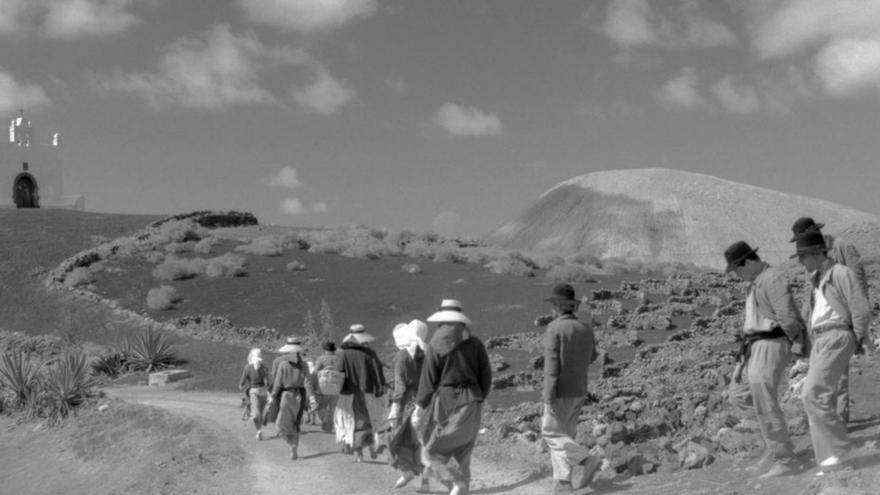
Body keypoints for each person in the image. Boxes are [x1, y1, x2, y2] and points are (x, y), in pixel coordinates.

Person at [723, 241, 806, 478]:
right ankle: (774, 447)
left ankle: (785, 458)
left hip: (770, 343)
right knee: (739, 395)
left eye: (738, 270)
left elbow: (787, 316)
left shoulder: (771, 278)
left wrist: (796, 342)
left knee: (764, 401)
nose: (737, 276)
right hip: (754, 345)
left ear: (748, 262)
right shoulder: (755, 282)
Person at [792, 232, 872, 474]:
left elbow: (860, 308)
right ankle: (828, 459)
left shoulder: (840, 273)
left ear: (817, 253)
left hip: (836, 335)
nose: (800, 262)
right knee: (819, 398)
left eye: (803, 256)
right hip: (820, 340)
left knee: (811, 393)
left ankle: (839, 448)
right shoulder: (817, 279)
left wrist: (858, 337)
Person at [413, 299, 492, 495]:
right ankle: (462, 487)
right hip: (471, 398)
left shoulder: (436, 343)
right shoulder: (475, 344)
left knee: (431, 451)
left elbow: (428, 379)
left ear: (441, 320)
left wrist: (420, 405)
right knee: (464, 448)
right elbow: (486, 375)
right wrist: (479, 396)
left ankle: (454, 482)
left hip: (445, 400)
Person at [540, 284, 603, 493]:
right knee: (565, 436)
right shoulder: (585, 328)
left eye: (553, 305)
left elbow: (551, 367)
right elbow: (593, 356)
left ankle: (587, 460)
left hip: (561, 391)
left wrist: (548, 396)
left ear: (557, 306)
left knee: (550, 433)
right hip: (580, 388)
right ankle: (563, 484)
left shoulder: (554, 329)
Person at [386, 320, 430, 491]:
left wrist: (396, 406)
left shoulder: (402, 356)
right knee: (424, 442)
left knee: (399, 440)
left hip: (410, 401)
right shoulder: (429, 352)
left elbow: (400, 385)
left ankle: (406, 471)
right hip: (429, 401)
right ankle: (425, 483)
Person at [336, 324, 388, 462]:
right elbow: (378, 374)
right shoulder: (370, 353)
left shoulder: (342, 353)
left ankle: (358, 453)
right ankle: (371, 446)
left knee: (354, 423)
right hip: (369, 393)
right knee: (371, 420)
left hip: (349, 394)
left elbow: (338, 373)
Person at [268, 338, 316, 460]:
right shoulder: (304, 365)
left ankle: (290, 443)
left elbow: (278, 383)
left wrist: (273, 396)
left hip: (286, 395)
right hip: (300, 395)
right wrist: (311, 398)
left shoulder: (283, 364)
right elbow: (308, 382)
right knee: (296, 424)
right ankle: (294, 447)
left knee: (280, 425)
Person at [239, 348, 270, 440]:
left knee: (256, 413)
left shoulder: (248, 367)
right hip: (263, 391)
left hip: (253, 391)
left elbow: (242, 382)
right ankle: (260, 428)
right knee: (260, 411)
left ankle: (258, 430)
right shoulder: (264, 367)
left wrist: (241, 386)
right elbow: (268, 382)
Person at [313, 341, 343, 433]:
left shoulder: (322, 358)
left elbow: (315, 372)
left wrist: (314, 385)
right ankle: (330, 425)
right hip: (337, 387)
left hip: (324, 387)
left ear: (325, 350)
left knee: (322, 406)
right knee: (333, 407)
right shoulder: (340, 359)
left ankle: (326, 421)